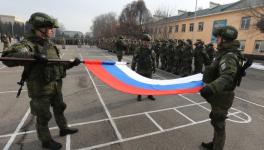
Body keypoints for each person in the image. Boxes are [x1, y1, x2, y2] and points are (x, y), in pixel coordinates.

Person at [1, 12, 80, 150]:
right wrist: (33, 55)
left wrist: (71, 64)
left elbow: (57, 64)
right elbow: (8, 57)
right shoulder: (28, 44)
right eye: (50, 28)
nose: (52, 30)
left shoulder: (49, 44)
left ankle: (63, 128)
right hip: (40, 88)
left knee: (60, 108)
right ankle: (46, 140)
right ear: (40, 28)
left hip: (55, 85)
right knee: (43, 116)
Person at [200, 26, 244, 150]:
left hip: (222, 96)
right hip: (219, 94)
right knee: (215, 121)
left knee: (219, 125)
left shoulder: (229, 55)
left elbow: (228, 76)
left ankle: (217, 147)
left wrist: (211, 88)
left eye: (218, 38)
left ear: (224, 39)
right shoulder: (225, 53)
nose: (216, 40)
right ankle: (215, 144)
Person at [131, 34, 156, 101]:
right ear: (142, 41)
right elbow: (134, 59)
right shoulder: (138, 49)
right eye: (144, 41)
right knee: (140, 83)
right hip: (140, 69)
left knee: (150, 83)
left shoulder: (151, 50)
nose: (146, 43)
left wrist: (154, 67)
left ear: (149, 42)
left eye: (147, 41)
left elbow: (153, 59)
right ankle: (139, 95)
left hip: (149, 69)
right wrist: (133, 67)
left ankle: (149, 94)